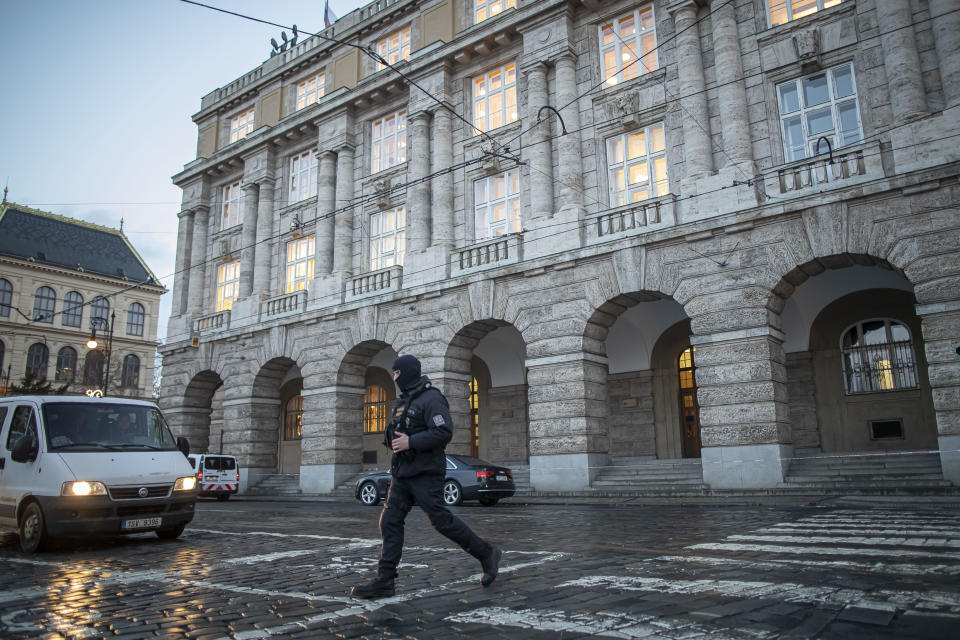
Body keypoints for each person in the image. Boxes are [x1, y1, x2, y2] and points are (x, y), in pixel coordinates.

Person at [351, 354, 502, 599]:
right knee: (389, 521)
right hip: (402, 473)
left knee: (440, 520)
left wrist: (411, 441)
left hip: (425, 472)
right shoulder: (402, 403)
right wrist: (395, 440)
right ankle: (385, 580)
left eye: (397, 373)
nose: (394, 377)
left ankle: (486, 553)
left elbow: (443, 431)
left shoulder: (432, 398)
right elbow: (394, 433)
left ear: (408, 373)